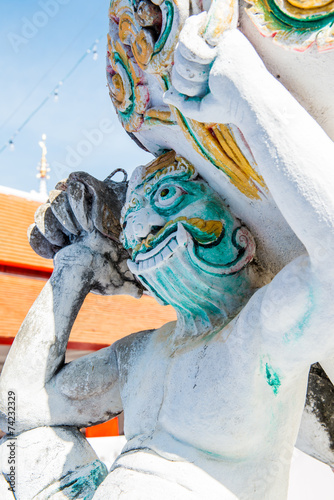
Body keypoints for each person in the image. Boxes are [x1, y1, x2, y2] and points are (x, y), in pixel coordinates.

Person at [1, 13, 334, 500]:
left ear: (241, 241)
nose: (138, 224)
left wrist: (245, 92)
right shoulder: (140, 354)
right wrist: (75, 266)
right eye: (133, 213)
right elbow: (18, 409)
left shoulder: (261, 336)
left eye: (167, 199)